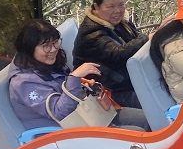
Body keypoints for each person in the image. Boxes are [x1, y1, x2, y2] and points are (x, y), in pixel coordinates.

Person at [8, 18, 150, 131]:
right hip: (64, 132)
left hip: (89, 115)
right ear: (29, 48)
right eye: (46, 46)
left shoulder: (45, 61)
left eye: (55, 42)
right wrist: (74, 78)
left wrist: (84, 85)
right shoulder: (24, 83)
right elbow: (60, 112)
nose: (53, 49)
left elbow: (66, 87)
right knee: (138, 133)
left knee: (149, 119)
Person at [72, 0, 147, 109]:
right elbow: (119, 53)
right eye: (110, 7)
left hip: (127, 81)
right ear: (97, 7)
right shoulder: (90, 33)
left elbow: (136, 38)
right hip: (108, 91)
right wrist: (148, 38)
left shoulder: (120, 22)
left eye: (121, 5)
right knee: (156, 102)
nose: (118, 11)